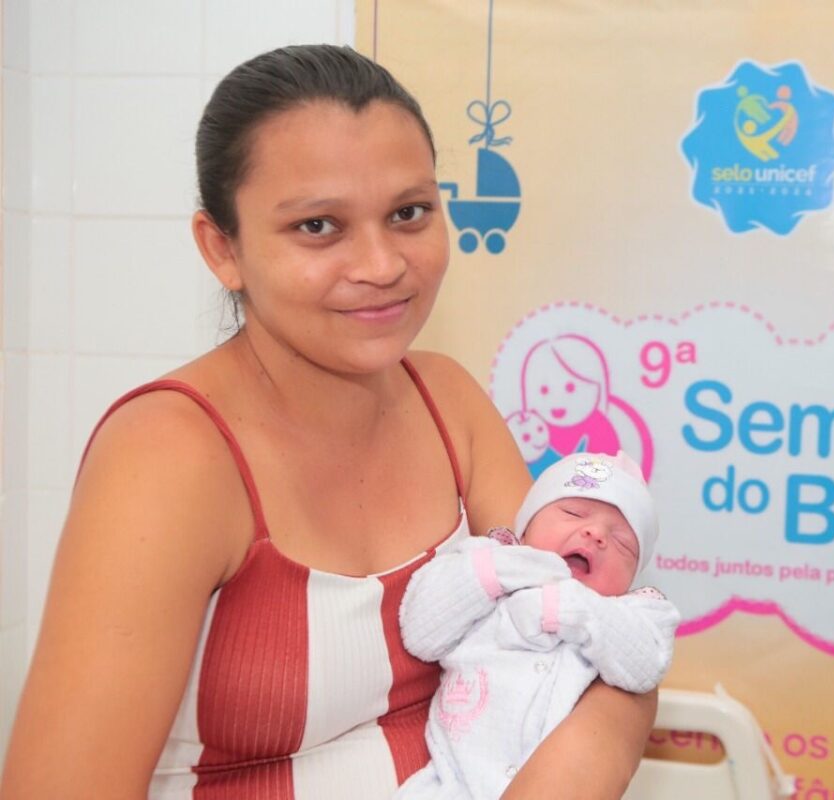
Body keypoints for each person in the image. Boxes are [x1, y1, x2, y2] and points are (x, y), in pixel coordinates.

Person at [0, 45, 656, 799]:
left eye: (408, 213)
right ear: (222, 249)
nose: (381, 264)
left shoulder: (450, 404)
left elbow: (612, 637)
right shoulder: (169, 456)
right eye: (318, 225)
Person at [396, 452, 680, 799]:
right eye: (573, 513)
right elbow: (420, 633)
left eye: (623, 543)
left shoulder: (626, 615)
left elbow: (646, 665)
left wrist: (570, 608)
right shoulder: (487, 564)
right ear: (526, 526)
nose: (595, 534)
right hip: (450, 784)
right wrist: (499, 571)